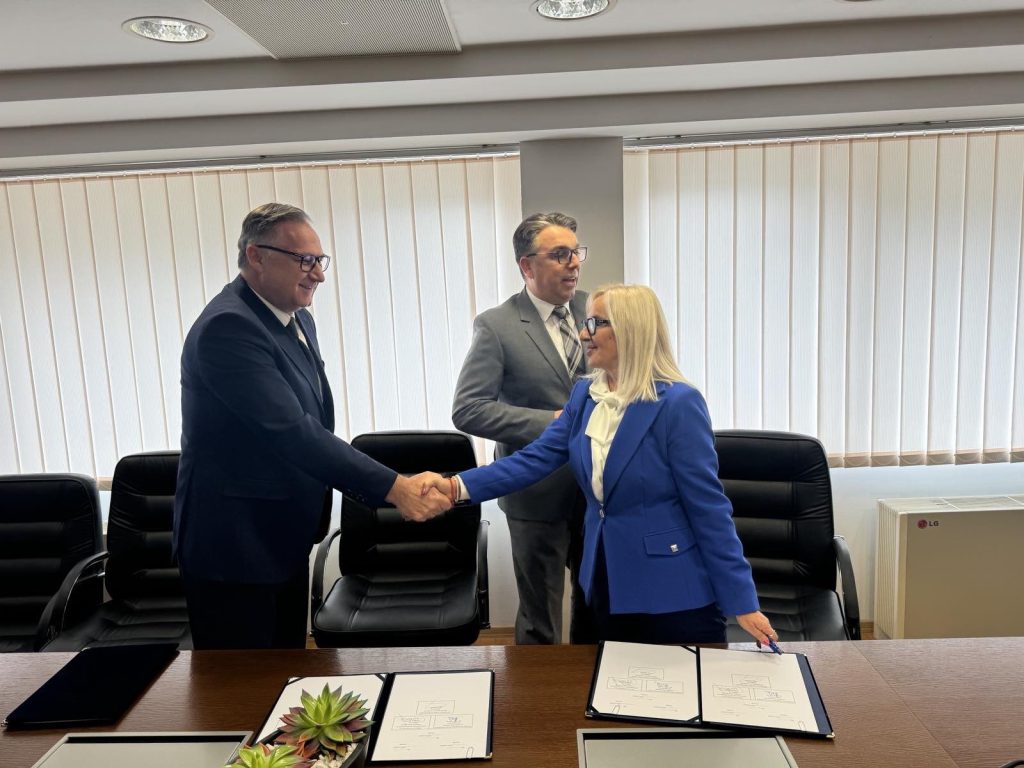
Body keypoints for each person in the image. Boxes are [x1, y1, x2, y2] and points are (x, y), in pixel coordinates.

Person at [173, 202, 451, 650]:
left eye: (319, 260)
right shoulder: (228, 327)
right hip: (235, 547)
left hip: (283, 533)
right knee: (242, 683)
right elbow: (293, 432)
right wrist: (394, 487)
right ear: (256, 256)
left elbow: (314, 417)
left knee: (286, 668)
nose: (318, 274)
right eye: (304, 260)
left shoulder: (296, 317)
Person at [433, 284, 776, 645]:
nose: (584, 334)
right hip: (605, 581)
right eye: (586, 323)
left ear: (630, 330)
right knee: (609, 677)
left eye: (596, 323)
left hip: (671, 592)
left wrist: (743, 601)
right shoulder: (586, 396)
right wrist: (456, 486)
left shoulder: (678, 403)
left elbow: (708, 508)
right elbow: (534, 459)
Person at [452, 211, 593, 645]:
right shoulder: (497, 325)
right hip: (535, 493)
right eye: (560, 254)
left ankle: (592, 684)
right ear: (527, 266)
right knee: (539, 619)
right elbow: (469, 409)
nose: (574, 263)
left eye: (576, 252)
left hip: (598, 490)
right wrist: (552, 423)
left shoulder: (596, 309)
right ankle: (540, 691)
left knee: (597, 607)